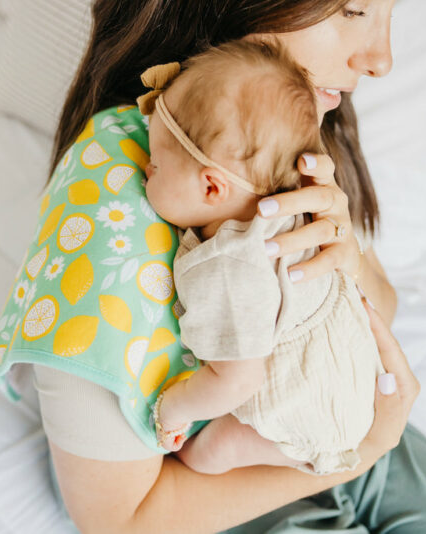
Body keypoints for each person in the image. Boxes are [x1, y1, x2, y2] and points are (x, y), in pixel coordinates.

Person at [0, 1, 426, 532]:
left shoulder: (275, 126)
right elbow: (121, 521)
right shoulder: (120, 204)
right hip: (221, 487)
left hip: (327, 422)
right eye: (354, 10)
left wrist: (345, 254)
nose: (382, 59)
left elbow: (385, 308)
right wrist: (359, 453)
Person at [140, 39, 384, 477]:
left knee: (207, 453)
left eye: (155, 165)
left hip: (311, 409)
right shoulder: (292, 199)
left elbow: (237, 380)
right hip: (353, 377)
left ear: (213, 188)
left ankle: (301, 455)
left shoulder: (226, 266)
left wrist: (172, 409)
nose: (143, 170)